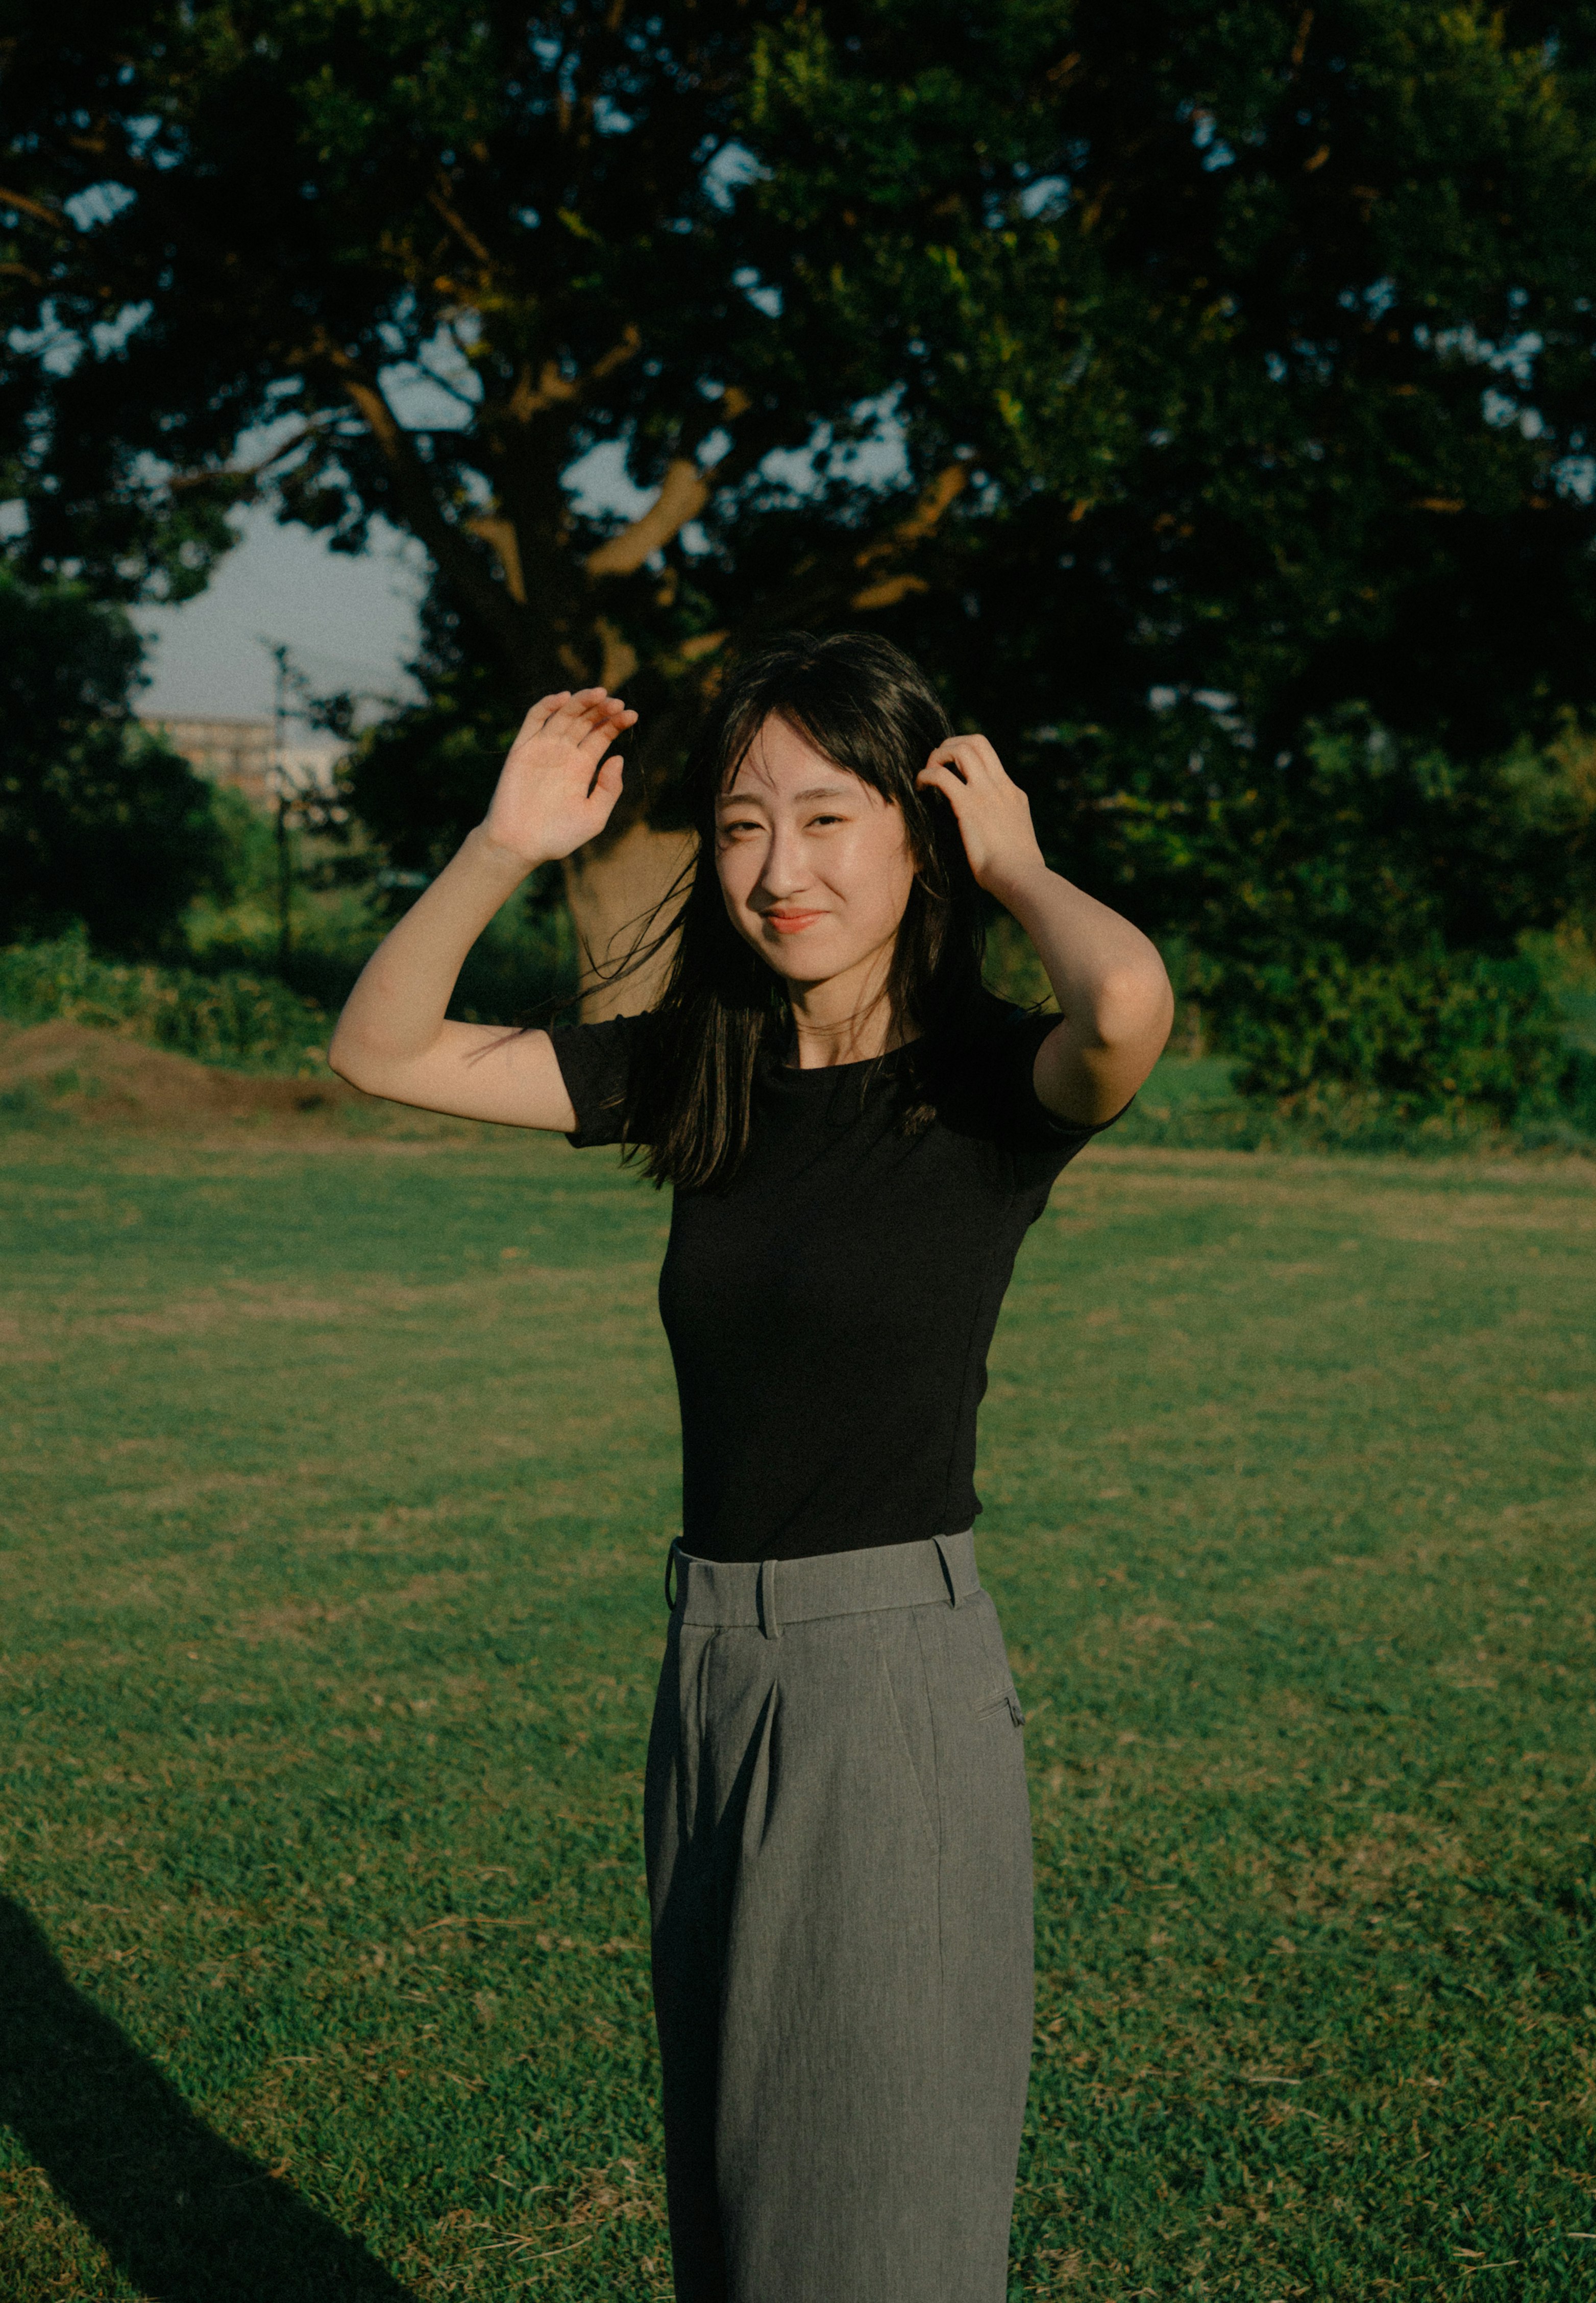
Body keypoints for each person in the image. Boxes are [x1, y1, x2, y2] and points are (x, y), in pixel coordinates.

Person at [328, 632, 1174, 2303]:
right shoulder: (693, 1074)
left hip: (888, 1692)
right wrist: (504, 846)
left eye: (827, 818)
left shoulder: (990, 1090)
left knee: (867, 2232)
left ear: (915, 836)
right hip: (709, 1674)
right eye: (736, 826)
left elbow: (1127, 1003)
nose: (777, 871)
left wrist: (1017, 862)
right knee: (739, 2215)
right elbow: (381, 1049)